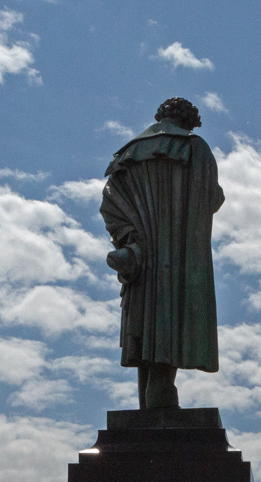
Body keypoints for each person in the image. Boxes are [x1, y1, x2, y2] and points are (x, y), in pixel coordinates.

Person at [99, 96, 224, 410]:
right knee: (171, 321)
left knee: (146, 323)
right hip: (181, 255)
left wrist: (130, 239)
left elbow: (110, 204)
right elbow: (212, 198)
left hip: (143, 255)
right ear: (188, 121)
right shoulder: (195, 148)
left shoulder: (126, 155)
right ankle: (161, 398)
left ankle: (152, 404)